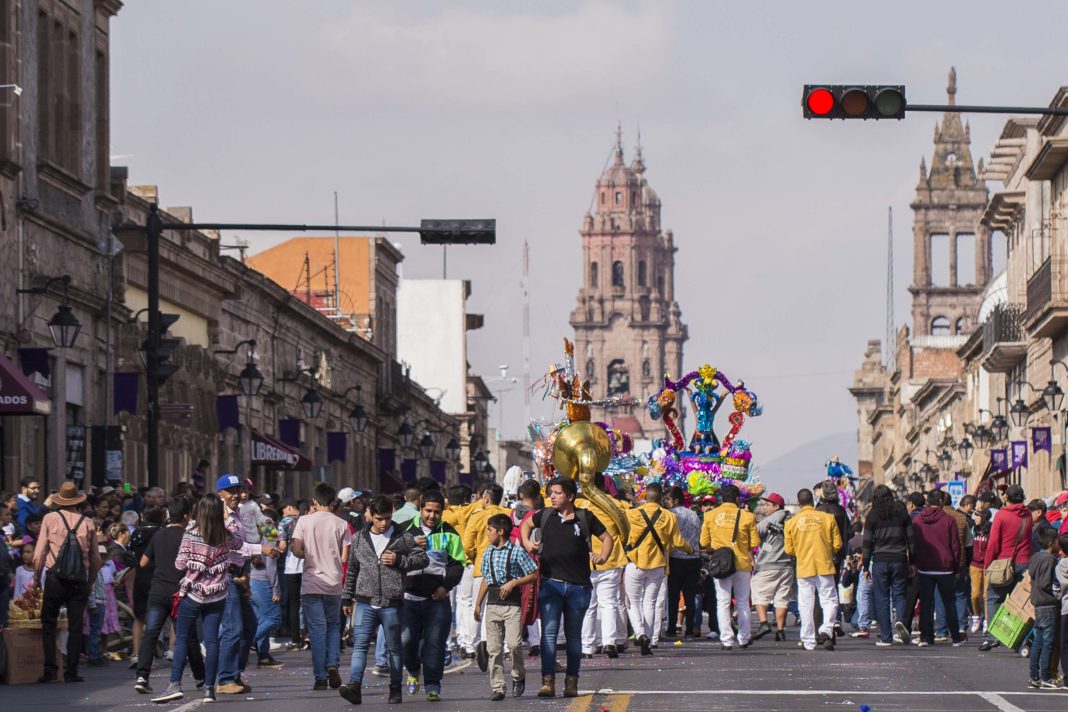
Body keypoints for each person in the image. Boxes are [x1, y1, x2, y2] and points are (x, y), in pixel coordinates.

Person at [520, 476, 612, 699]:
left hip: (578, 587)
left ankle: (572, 682)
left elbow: (607, 537)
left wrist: (603, 555)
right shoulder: (546, 515)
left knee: (573, 637)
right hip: (551, 584)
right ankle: (547, 682)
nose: (552, 496)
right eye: (551, 492)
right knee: (549, 635)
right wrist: (526, 542)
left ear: (570, 496)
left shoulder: (584, 517)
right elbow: (526, 524)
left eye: (557, 493)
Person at [151, 493, 243, 703]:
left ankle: (174, 684)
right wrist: (229, 520)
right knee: (211, 641)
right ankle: (210, 688)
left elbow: (180, 564)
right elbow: (239, 544)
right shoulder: (226, 535)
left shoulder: (191, 534)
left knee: (182, 637)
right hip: (217, 594)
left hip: (193, 594)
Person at [339, 495, 427, 706]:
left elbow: (423, 558)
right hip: (364, 601)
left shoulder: (402, 537)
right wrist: (346, 598)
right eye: (379, 518)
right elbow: (352, 569)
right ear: (370, 516)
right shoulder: (360, 538)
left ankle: (395, 688)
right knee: (360, 645)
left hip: (392, 603)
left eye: (387, 518)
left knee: (395, 647)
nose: (383, 523)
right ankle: (354, 686)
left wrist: (400, 560)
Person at [31, 481, 101, 683]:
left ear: (59, 500)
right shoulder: (87, 522)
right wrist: (90, 582)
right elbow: (96, 558)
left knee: (49, 623)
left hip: (55, 578)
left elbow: (40, 552)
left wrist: (37, 577)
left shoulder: (50, 518)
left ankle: (50, 669)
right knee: (76, 626)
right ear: (77, 502)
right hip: (79, 579)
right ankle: (72, 671)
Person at [214, 475, 278, 694]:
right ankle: (224, 679)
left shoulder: (244, 512)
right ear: (219, 494)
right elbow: (230, 546)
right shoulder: (219, 517)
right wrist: (261, 550)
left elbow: (267, 527)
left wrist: (273, 535)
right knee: (235, 627)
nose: (237, 495)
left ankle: (235, 673)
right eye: (231, 491)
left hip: (242, 574)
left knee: (249, 625)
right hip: (227, 575)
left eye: (240, 490)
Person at [135, 496, 205, 694]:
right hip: (180, 593)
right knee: (188, 635)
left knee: (151, 633)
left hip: (158, 591)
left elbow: (142, 563)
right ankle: (200, 678)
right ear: (186, 515)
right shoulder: (189, 536)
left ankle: (142, 676)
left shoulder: (158, 534)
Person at [401, 490, 465, 702]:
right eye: (428, 511)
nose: (432, 516)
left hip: (437, 600)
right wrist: (410, 546)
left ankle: (432, 684)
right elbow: (392, 558)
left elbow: (457, 565)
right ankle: (412, 671)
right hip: (408, 599)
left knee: (435, 643)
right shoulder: (404, 530)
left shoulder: (450, 533)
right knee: (407, 641)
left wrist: (446, 587)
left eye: (437, 512)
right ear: (420, 509)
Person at [291, 483, 352, 691]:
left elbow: (296, 548)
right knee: (334, 626)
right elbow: (345, 557)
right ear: (333, 502)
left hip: (311, 582)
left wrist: (307, 554)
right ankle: (333, 664)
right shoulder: (341, 524)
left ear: (314, 502)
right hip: (334, 582)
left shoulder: (304, 521)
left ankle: (320, 676)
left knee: (317, 629)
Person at [623, 482, 693, 656]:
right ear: (661, 498)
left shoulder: (631, 514)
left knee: (632, 601)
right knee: (650, 602)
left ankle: (639, 633)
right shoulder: (669, 516)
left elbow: (622, 536)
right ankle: (647, 636)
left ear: (645, 497)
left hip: (635, 563)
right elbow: (677, 542)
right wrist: (690, 549)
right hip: (658, 564)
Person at [475, 513, 539, 702]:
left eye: (490, 530)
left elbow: (534, 574)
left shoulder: (517, 551)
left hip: (512, 604)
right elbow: (486, 579)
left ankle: (518, 675)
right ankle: (498, 686)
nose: (487, 533)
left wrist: (514, 583)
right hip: (493, 603)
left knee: (513, 644)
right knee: (494, 649)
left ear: (500, 531)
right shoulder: (488, 552)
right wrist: (478, 603)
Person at [700, 483, 759, 650]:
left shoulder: (710, 516)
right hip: (741, 564)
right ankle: (744, 637)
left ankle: (726, 639)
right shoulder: (747, 516)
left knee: (722, 602)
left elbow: (704, 542)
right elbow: (755, 542)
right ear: (738, 499)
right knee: (742, 602)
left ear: (721, 499)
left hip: (721, 564)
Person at [784, 488, 843, 652]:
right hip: (824, 564)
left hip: (804, 566)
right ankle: (826, 628)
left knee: (805, 603)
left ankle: (808, 640)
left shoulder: (791, 522)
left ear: (798, 503)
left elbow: (789, 550)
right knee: (829, 599)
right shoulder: (827, 518)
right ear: (813, 501)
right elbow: (838, 544)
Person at [576, 476, 628, 659]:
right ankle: (609, 643)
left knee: (589, 606)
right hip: (610, 558)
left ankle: (587, 647)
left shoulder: (577, 504)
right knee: (609, 604)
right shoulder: (617, 505)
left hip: (584, 559)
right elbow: (625, 530)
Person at [462, 483, 510, 672]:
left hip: (481, 568)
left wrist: (475, 558)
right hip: (504, 568)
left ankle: (475, 645)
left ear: (486, 499)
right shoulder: (506, 514)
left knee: (478, 608)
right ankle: (499, 645)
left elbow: (467, 544)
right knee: (502, 610)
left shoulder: (477, 516)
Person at [980, 484, 1033, 651]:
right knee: (1018, 603)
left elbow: (994, 542)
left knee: (994, 598)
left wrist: (987, 564)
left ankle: (993, 636)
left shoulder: (1002, 515)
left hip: (1003, 562)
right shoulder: (1028, 515)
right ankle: (1016, 637)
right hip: (1023, 562)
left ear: (1006, 498)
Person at [861, 485, 915, 646]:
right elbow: (911, 539)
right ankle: (900, 621)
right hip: (899, 559)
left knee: (882, 598)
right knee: (900, 594)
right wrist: (913, 561)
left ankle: (886, 637)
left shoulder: (872, 515)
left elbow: (867, 543)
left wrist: (865, 566)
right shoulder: (901, 511)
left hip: (880, 560)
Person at [912, 490, 963, 647]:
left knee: (927, 603)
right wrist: (956, 568)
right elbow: (955, 546)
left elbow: (913, 544)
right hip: (945, 567)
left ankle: (926, 636)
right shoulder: (949, 520)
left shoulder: (918, 520)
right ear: (941, 501)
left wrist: (914, 563)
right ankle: (955, 636)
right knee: (949, 602)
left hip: (924, 567)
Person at [752, 492, 794, 642]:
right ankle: (780, 630)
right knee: (782, 598)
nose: (765, 508)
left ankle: (764, 623)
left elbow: (755, 532)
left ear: (776, 506)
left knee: (759, 593)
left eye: (768, 505)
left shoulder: (772, 518)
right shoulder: (791, 519)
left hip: (768, 565)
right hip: (787, 566)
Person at [664, 486, 703, 640]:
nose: (666, 502)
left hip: (676, 559)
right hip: (693, 559)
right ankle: (689, 630)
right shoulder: (694, 515)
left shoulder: (670, 515)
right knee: (690, 596)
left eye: (668, 499)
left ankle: (671, 628)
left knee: (673, 596)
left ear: (676, 500)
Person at [1026, 526, 1060, 689]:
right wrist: (1057, 594)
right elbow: (1047, 583)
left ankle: (1034, 676)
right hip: (1048, 604)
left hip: (1038, 604)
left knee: (1038, 641)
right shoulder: (1050, 560)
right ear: (1052, 542)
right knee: (1048, 642)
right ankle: (1046, 676)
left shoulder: (1035, 558)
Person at [249, 507, 284, 668]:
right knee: (274, 618)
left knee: (262, 619)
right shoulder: (270, 532)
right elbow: (271, 566)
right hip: (263, 583)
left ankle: (263, 656)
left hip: (251, 582)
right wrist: (276, 588)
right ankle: (249, 640)